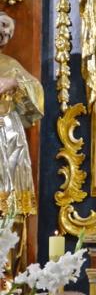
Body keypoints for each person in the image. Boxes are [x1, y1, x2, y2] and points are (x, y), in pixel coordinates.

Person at [0, 12, 44, 218]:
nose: (4, 32)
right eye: (2, 25)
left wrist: (15, 84)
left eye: (8, 31)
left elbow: (36, 89)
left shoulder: (11, 65)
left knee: (9, 198)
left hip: (6, 135)